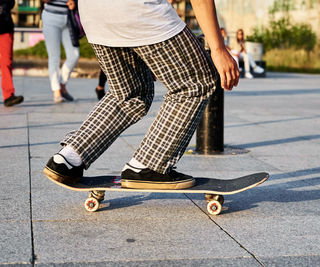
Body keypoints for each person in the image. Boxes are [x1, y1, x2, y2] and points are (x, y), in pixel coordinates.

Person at [43, 0, 239, 190]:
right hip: (138, 11)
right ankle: (147, 166)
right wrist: (219, 48)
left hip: (93, 14)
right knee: (196, 82)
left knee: (130, 94)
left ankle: (68, 158)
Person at [42, 0, 79, 103]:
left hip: (68, 18)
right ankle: (56, 90)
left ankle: (62, 84)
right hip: (51, 17)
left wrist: (74, 2)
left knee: (74, 54)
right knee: (54, 56)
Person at [0, 0, 24, 107]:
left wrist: (3, 6)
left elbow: (11, 2)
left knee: (7, 62)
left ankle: (9, 95)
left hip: (5, 27)